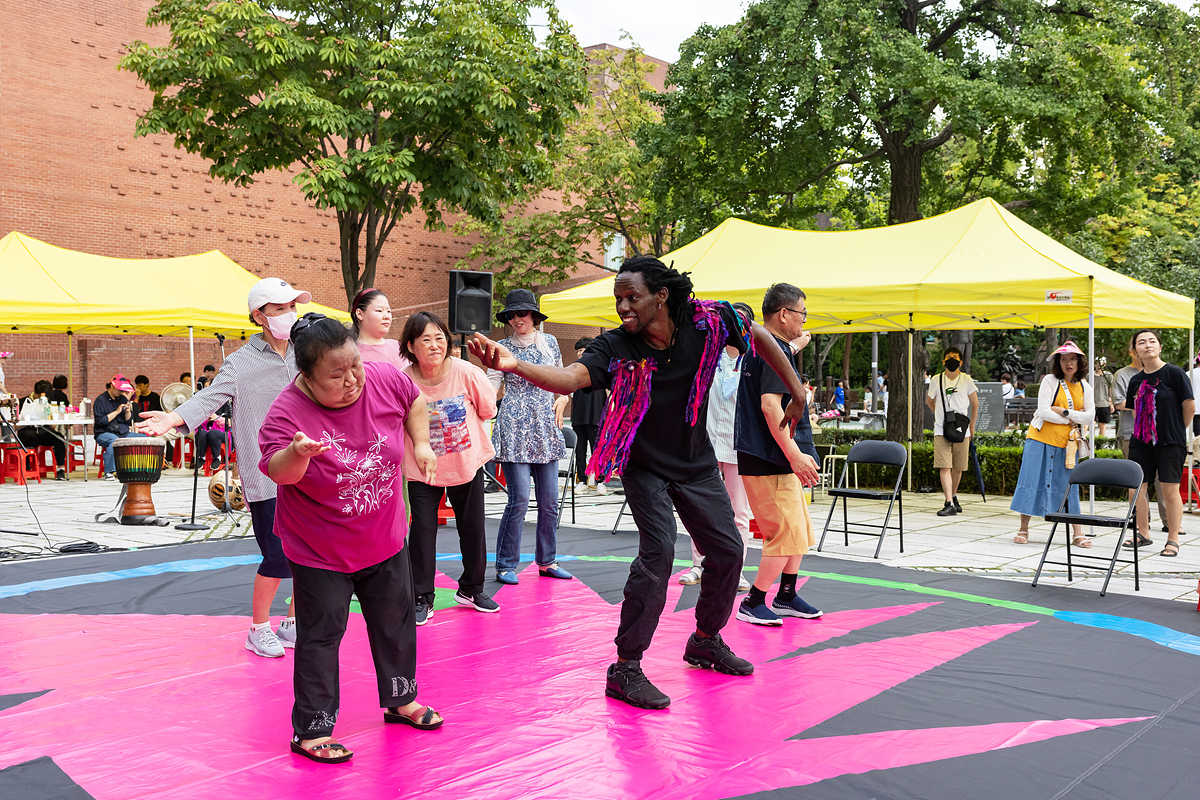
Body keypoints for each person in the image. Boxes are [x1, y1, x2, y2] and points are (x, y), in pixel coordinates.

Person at [469, 256, 811, 710]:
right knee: (659, 553)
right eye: (618, 300)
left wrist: (798, 389)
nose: (623, 308)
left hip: (695, 460)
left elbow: (758, 334)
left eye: (632, 298)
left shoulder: (706, 322)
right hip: (643, 463)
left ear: (661, 296)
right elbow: (570, 379)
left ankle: (706, 639)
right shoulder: (615, 347)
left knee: (728, 549)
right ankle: (625, 667)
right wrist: (514, 366)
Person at [258, 313, 441, 764]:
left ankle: (400, 700)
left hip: (383, 534)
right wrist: (297, 454)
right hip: (321, 549)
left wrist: (421, 443)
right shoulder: (287, 412)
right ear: (306, 376)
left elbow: (413, 401)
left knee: (395, 623)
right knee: (321, 635)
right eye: (336, 376)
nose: (352, 380)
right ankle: (313, 730)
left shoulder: (379, 377)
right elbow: (278, 471)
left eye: (354, 366)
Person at [137, 278, 310, 658]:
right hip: (266, 476)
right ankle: (259, 628)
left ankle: (293, 623)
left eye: (292, 307)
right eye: (279, 309)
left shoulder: (306, 352)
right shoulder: (240, 363)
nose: (288, 315)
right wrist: (173, 420)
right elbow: (207, 399)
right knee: (277, 556)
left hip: (309, 470)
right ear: (259, 316)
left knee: (309, 554)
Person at [401, 311, 500, 625]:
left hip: (465, 465)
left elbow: (487, 409)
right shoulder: (403, 378)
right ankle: (421, 597)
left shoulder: (466, 372)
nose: (434, 345)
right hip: (422, 469)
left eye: (439, 337)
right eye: (426, 340)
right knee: (423, 532)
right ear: (411, 346)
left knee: (472, 528)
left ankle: (472, 588)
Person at [735, 284, 823, 626]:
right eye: (801, 313)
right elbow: (770, 406)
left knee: (798, 529)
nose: (803, 320)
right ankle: (754, 600)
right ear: (784, 314)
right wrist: (795, 454)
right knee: (783, 533)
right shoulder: (771, 353)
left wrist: (802, 341)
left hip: (774, 456)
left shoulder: (771, 348)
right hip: (770, 457)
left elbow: (795, 344)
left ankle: (786, 593)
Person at [487, 288, 573, 585]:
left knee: (550, 501)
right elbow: (491, 384)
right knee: (519, 498)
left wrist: (563, 399)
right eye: (511, 314)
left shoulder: (550, 343)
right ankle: (505, 564)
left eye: (522, 313)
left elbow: (563, 380)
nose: (516, 319)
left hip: (544, 426)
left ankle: (547, 561)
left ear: (533, 316)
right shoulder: (500, 346)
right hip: (513, 425)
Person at [679, 302, 756, 591]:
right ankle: (699, 564)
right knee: (701, 508)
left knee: (738, 511)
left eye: (741, 322)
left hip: (739, 446)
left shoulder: (752, 361)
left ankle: (736, 569)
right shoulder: (710, 357)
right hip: (707, 443)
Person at [1010, 341, 1095, 547]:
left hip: (1068, 444)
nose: (1069, 363)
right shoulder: (1050, 380)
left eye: (1073, 359)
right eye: (1064, 359)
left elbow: (1090, 416)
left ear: (1079, 362)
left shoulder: (1085, 386)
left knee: (1068, 485)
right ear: (1058, 362)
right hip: (1039, 439)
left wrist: (1064, 412)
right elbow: (1043, 411)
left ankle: (1077, 532)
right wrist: (1073, 418)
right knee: (1031, 480)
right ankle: (1023, 528)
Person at [1122, 329, 1194, 558]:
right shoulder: (1135, 380)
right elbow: (1134, 411)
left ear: (1160, 347)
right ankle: (1143, 532)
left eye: (1152, 341)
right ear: (1136, 351)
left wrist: (1174, 430)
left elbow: (1189, 407)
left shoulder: (1175, 374)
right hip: (1141, 442)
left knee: (1169, 488)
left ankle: (1173, 538)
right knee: (1136, 488)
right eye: (1141, 342)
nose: (1147, 345)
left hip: (1170, 442)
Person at [1114, 341, 1167, 529]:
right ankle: (1142, 523)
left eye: (1150, 343)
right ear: (1133, 352)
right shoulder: (1123, 375)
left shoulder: (1163, 373)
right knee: (1137, 480)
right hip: (1131, 434)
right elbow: (1119, 403)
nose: (1145, 350)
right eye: (1140, 346)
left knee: (1163, 479)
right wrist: (1142, 401)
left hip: (1160, 435)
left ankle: (1169, 521)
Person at [925, 348, 979, 517]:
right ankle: (948, 502)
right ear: (943, 361)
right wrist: (939, 416)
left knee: (958, 467)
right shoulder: (936, 379)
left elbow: (975, 404)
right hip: (941, 429)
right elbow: (929, 401)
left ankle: (953, 496)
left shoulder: (966, 380)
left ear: (961, 362)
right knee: (944, 466)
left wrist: (972, 425)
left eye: (955, 358)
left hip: (962, 429)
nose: (952, 361)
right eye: (949, 358)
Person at [571, 337, 608, 495]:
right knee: (580, 450)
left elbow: (609, 392)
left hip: (596, 416)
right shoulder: (573, 370)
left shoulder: (601, 369)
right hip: (579, 416)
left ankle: (600, 481)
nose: (580, 353)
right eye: (578, 351)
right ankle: (581, 480)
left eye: (583, 350)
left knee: (597, 449)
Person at [94, 374, 146, 479]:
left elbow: (127, 421)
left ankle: (139, 468)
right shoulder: (100, 400)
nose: (121, 393)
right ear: (112, 387)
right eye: (119, 390)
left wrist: (127, 412)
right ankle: (109, 472)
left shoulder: (122, 399)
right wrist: (117, 411)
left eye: (122, 390)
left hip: (122, 431)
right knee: (115, 441)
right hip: (104, 432)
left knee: (143, 439)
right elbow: (101, 421)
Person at [18, 380, 67, 480]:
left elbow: (52, 426)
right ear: (37, 394)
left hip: (43, 430)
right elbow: (17, 425)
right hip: (27, 430)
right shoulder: (24, 402)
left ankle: (60, 469)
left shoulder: (48, 403)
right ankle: (27, 467)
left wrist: (52, 418)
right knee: (28, 436)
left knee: (59, 438)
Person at [352, 288, 407, 369]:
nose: (387, 316)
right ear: (359, 314)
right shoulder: (351, 354)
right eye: (379, 310)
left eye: (388, 311)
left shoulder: (398, 347)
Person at [194, 403, 230, 471]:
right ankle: (201, 457)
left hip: (223, 432)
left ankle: (217, 458)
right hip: (206, 430)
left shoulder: (227, 404)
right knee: (200, 433)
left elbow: (231, 422)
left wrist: (216, 418)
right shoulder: (204, 404)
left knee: (213, 433)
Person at [1093, 357, 1114, 437]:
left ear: (1104, 364)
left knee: (1102, 426)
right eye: (1097, 363)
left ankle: (1100, 445)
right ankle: (1089, 444)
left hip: (1104, 404)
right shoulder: (1089, 375)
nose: (1098, 365)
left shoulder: (1108, 376)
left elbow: (1111, 390)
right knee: (1089, 425)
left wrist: (1111, 403)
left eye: (1101, 363)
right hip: (1092, 404)